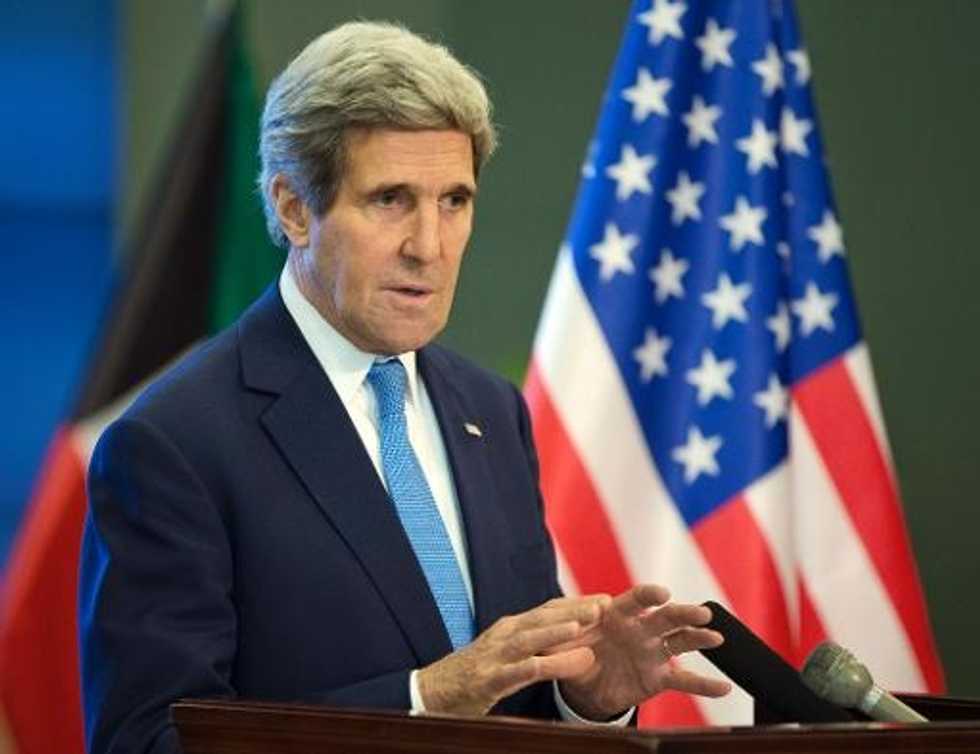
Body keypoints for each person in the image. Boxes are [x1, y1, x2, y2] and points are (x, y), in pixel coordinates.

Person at [79, 20, 731, 754]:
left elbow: (512, 696)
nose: (429, 245)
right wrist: (423, 700)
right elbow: (148, 740)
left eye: (454, 200)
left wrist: (584, 699)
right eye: (390, 199)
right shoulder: (175, 440)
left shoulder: (491, 411)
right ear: (294, 208)